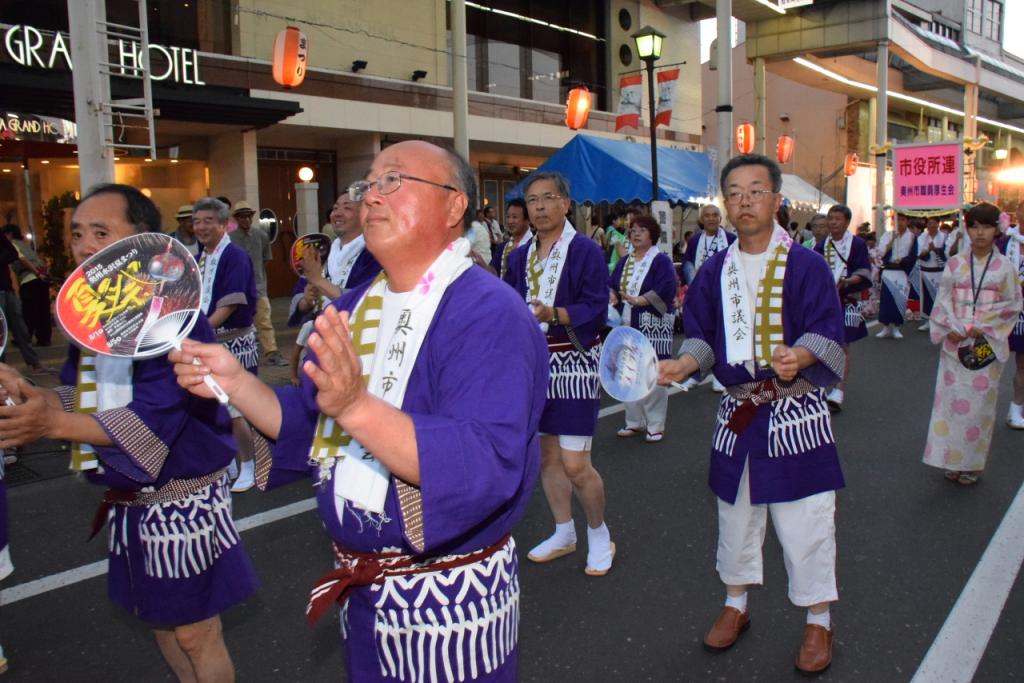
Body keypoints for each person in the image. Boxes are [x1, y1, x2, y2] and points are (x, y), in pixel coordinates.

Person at [171, 140, 547, 680]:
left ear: (454, 205)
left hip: (449, 596)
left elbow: (481, 461)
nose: (372, 196)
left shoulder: (489, 311)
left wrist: (356, 406)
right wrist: (236, 385)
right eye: (369, 183)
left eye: (394, 180)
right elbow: (312, 422)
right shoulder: (354, 305)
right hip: (363, 586)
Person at [0, 183, 257, 681]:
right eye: (77, 234)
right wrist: (31, 395)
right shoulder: (94, 315)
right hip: (130, 499)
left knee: (195, 632)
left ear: (143, 240)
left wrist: (50, 421)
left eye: (101, 232)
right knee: (161, 622)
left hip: (182, 500)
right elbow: (83, 398)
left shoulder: (176, 318)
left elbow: (153, 419)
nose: (85, 246)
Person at [658, 153, 846, 675]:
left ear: (777, 200)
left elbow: (827, 330)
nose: (744, 201)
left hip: (794, 412)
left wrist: (800, 355)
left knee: (806, 518)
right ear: (724, 202)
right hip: (739, 411)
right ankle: (736, 604)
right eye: (734, 192)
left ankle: (818, 619)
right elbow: (702, 337)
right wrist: (683, 363)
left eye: (756, 191)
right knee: (735, 515)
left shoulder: (806, 264)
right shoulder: (713, 270)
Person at [504, 171, 614, 577]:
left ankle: (599, 532)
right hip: (535, 367)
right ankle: (564, 531)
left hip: (574, 362)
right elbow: (511, 307)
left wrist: (556, 314)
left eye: (548, 198)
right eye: (532, 200)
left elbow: (596, 308)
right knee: (546, 456)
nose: (539, 207)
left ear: (566, 204)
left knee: (575, 464)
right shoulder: (517, 256)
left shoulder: (585, 250)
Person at [923, 202, 1023, 485]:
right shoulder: (955, 262)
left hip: (985, 343)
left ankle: (972, 464)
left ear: (997, 230)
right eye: (974, 226)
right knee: (950, 404)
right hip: (956, 342)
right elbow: (942, 299)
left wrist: (981, 327)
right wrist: (952, 327)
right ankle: (950, 459)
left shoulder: (1005, 268)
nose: (980, 233)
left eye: (987, 227)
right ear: (967, 229)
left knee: (979, 406)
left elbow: (1012, 305)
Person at [193, 197, 261, 493]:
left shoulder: (234, 255)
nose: (201, 226)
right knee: (212, 407)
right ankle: (228, 461)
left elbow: (230, 305)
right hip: (209, 341)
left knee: (235, 410)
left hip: (234, 342)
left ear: (223, 224)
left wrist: (200, 331)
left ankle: (249, 464)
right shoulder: (201, 257)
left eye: (208, 221)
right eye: (196, 221)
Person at [610, 215, 678, 442]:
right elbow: (612, 285)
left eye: (642, 230)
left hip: (652, 324)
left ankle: (655, 424)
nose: (635, 234)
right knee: (627, 375)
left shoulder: (661, 261)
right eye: (633, 230)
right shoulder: (624, 261)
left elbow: (667, 287)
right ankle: (634, 421)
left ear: (652, 235)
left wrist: (641, 300)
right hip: (627, 325)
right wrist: (611, 295)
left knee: (652, 374)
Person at [814, 204, 871, 413]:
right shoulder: (821, 246)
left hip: (847, 299)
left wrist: (846, 281)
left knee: (844, 345)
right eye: (831, 218)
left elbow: (864, 271)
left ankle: (838, 390)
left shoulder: (857, 244)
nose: (833, 222)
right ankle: (823, 384)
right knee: (822, 343)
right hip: (825, 301)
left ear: (847, 222)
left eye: (838, 219)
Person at [297, 192, 382, 312]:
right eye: (335, 208)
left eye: (347, 208)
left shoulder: (375, 254)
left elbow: (364, 301)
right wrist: (307, 301)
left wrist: (319, 281)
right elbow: (298, 300)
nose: (337, 213)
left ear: (364, 215)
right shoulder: (321, 251)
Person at [229, 201, 287, 367]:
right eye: (242, 216)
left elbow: (265, 259)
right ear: (236, 219)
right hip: (237, 287)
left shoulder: (261, 236)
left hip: (258, 286)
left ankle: (272, 352)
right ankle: (238, 354)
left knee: (264, 320)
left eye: (248, 216)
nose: (246, 220)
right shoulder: (230, 238)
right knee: (238, 322)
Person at [0, 228, 42, 372]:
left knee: (20, 327)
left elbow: (13, 253)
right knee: (1, 331)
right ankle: (2, 368)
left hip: (6, 288)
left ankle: (33, 361)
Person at [2, 224, 51, 347]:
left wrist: (36, 273)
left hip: (29, 279)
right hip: (41, 279)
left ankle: (24, 338)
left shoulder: (12, 244)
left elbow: (22, 259)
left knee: (29, 311)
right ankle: (44, 338)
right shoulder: (25, 244)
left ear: (9, 234)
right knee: (43, 310)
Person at [1000, 202, 1024, 428]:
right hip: (1004, 308)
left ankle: (1016, 408)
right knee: (990, 358)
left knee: (1023, 363)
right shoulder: (1006, 241)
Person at [876, 213, 918, 339]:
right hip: (888, 271)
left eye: (903, 220)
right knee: (886, 299)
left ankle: (896, 327)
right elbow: (881, 252)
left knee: (900, 298)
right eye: (897, 219)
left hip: (901, 271)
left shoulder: (911, 237)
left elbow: (913, 256)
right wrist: (892, 239)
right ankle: (885, 327)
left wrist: (903, 260)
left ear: (907, 221)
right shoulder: (887, 235)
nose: (900, 222)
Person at [682, 205, 736, 286]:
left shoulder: (731, 239)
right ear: (702, 220)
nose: (711, 219)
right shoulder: (694, 240)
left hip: (724, 286)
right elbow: (687, 263)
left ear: (720, 219)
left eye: (715, 215)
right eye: (707, 216)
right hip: (699, 286)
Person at [916, 216, 948, 331]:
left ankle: (941, 321)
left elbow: (947, 253)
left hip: (939, 271)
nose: (932, 225)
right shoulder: (922, 237)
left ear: (938, 224)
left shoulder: (944, 236)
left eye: (934, 223)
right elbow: (918, 253)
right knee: (927, 297)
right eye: (929, 223)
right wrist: (928, 250)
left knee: (940, 297)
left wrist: (936, 250)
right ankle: (928, 321)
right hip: (926, 270)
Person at [490, 197, 532, 280]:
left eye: (514, 217)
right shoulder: (503, 247)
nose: (510, 221)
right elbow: (493, 272)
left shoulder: (536, 245)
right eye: (508, 217)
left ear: (528, 220)